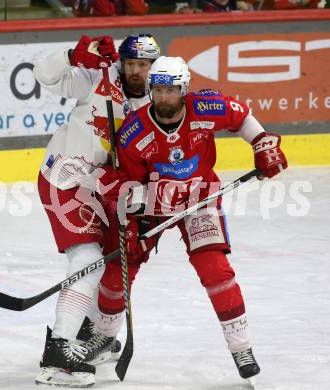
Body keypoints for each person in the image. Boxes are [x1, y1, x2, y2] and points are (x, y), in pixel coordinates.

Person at [92, 56, 288, 383]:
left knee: (216, 271)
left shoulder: (205, 108)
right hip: (152, 201)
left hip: (200, 198)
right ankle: (103, 336)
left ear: (183, 90)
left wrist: (260, 143)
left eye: (171, 90)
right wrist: (131, 220)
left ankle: (241, 347)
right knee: (119, 266)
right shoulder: (135, 131)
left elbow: (241, 116)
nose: (164, 97)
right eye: (158, 89)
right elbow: (127, 183)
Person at [33, 33, 160, 387]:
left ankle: (87, 333)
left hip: (106, 190)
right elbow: (43, 75)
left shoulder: (155, 103)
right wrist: (73, 54)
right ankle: (58, 352)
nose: (136, 71)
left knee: (108, 263)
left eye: (144, 65)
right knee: (87, 260)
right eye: (132, 63)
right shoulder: (99, 76)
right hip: (65, 179)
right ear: (123, 61)